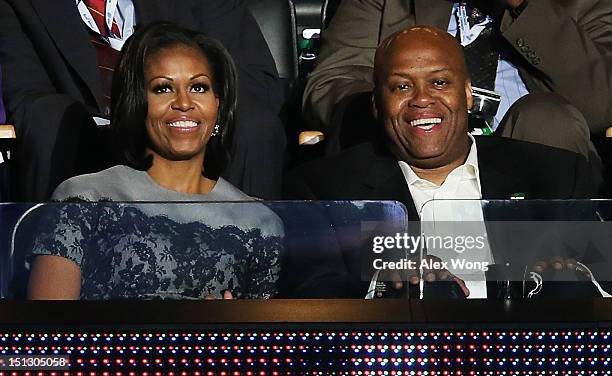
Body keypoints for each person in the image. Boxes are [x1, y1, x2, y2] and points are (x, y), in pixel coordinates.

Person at [284, 26, 597, 298]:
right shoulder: (324, 192)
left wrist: (565, 284)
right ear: (377, 105)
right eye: (402, 86)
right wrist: (385, 286)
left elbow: (602, 283)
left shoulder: (555, 177)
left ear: (468, 94)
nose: (422, 99)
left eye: (440, 83)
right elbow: (309, 295)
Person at [26, 22, 282, 300]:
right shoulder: (83, 199)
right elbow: (49, 333)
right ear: (137, 102)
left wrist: (226, 333)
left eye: (198, 88)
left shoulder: (259, 223)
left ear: (218, 105)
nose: (184, 103)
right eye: (163, 89)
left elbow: (262, 339)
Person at [0, 0, 285, 201]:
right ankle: (58, 258)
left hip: (196, 137)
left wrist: (190, 112)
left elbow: (254, 81)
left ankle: (255, 257)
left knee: (254, 124)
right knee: (48, 120)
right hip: (84, 133)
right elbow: (28, 95)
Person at [303, 0, 612, 164]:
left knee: (548, 119)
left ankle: (545, 279)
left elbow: (600, 106)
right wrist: (403, 107)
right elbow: (331, 83)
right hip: (407, 159)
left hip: (530, 154)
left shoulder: (581, 3)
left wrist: (524, 7)